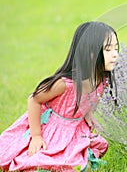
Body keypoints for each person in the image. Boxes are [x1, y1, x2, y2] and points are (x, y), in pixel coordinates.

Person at [0, 21, 119, 171]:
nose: (115, 54)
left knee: (82, 158)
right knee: (44, 160)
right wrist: (36, 136)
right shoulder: (65, 84)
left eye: (116, 48)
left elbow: (88, 102)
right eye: (108, 49)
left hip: (74, 127)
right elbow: (34, 99)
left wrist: (89, 117)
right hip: (52, 128)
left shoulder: (102, 81)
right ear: (88, 53)